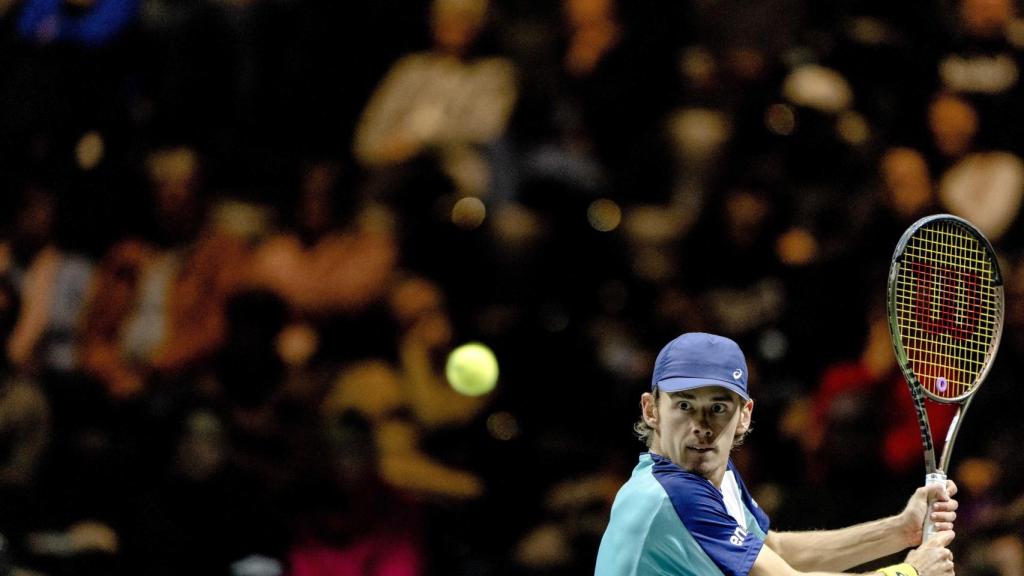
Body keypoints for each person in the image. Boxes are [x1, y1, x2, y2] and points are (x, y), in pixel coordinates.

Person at [595, 332, 959, 576]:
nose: (701, 425)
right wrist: (911, 572)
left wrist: (899, 530)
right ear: (651, 410)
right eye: (684, 405)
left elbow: (778, 550)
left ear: (744, 416)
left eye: (718, 407)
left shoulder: (711, 476)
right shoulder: (669, 495)